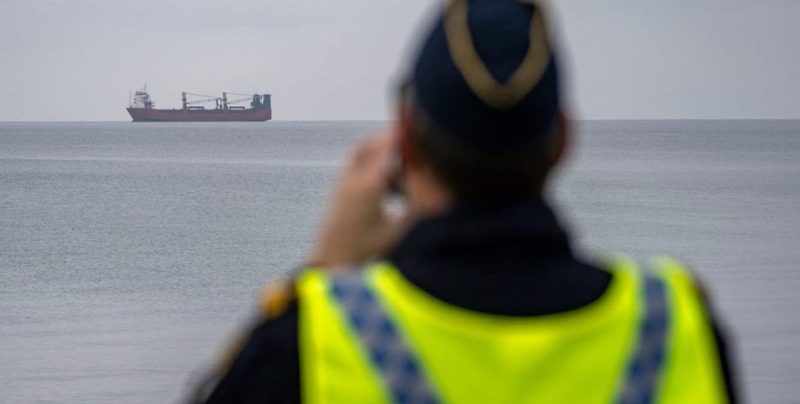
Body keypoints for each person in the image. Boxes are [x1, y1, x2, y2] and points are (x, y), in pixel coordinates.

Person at [190, 0, 736, 402]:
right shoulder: (677, 328)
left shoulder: (311, 343)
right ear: (565, 140)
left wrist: (325, 271)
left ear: (405, 141)